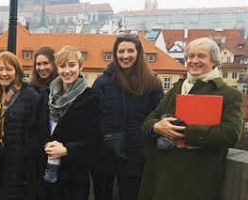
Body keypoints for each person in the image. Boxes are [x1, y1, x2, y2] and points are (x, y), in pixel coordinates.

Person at [138, 38, 243, 200]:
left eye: (201, 56)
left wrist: (183, 131)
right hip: (163, 174)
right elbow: (150, 119)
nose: (194, 61)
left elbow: (231, 134)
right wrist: (156, 127)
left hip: (197, 179)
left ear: (214, 61)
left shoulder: (229, 94)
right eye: (190, 56)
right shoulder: (178, 88)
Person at [91, 34, 163, 200]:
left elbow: (157, 116)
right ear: (115, 54)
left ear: (138, 53)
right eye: (121, 51)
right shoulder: (103, 82)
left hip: (136, 155)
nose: (125, 56)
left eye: (130, 51)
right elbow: (94, 118)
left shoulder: (152, 83)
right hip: (105, 154)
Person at [0, 52, 45, 199]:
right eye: (0, 69)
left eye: (9, 69)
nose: (4, 74)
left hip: (19, 167)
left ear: (17, 71)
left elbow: (37, 132)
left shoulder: (30, 96)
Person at [41, 46, 100, 199]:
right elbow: (37, 129)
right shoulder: (47, 95)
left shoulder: (91, 99)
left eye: (72, 65)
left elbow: (95, 142)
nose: (67, 71)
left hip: (74, 176)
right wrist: (45, 144)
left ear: (81, 67)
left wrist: (67, 150)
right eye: (62, 66)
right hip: (44, 170)